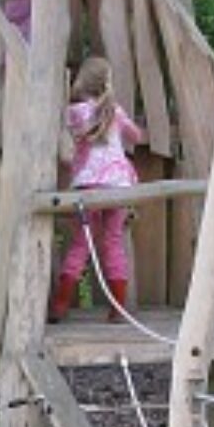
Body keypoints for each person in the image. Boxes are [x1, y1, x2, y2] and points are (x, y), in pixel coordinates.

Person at [50, 57, 144, 323]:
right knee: (113, 242)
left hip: (88, 186)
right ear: (106, 82)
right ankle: (117, 309)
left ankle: (60, 305)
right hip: (118, 186)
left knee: (81, 244)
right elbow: (136, 136)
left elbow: (65, 138)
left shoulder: (74, 112)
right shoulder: (114, 110)